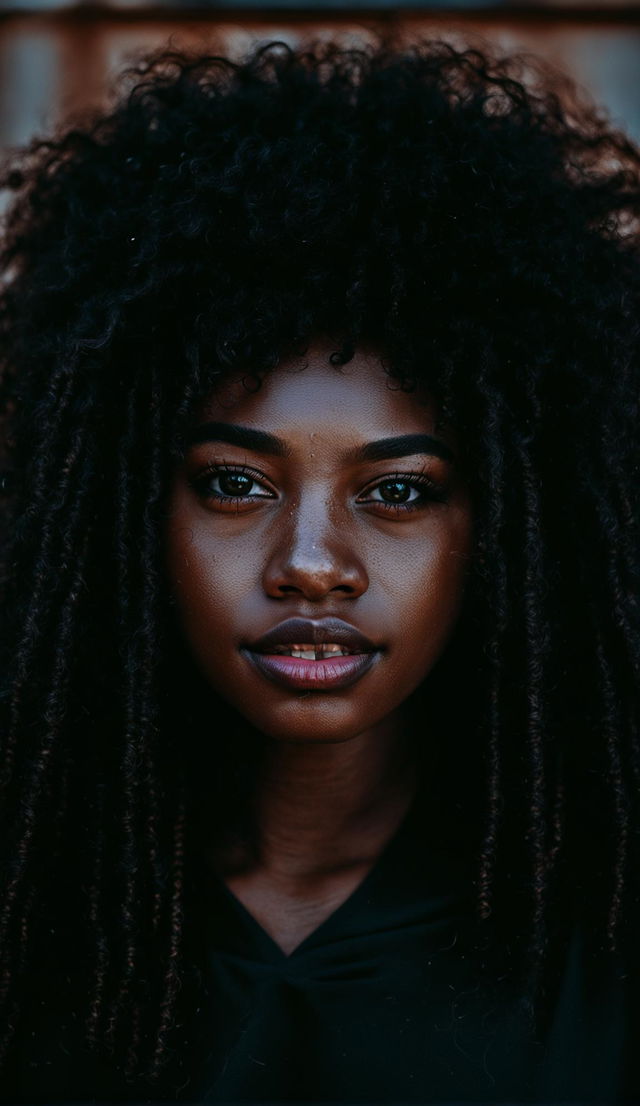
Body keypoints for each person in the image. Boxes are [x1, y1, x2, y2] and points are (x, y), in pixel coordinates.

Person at [0, 33, 638, 1105]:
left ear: (511, 530)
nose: (310, 565)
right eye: (234, 484)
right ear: (119, 512)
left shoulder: (599, 945)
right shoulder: (39, 922)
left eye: (398, 491)